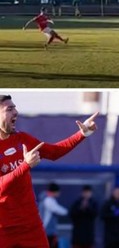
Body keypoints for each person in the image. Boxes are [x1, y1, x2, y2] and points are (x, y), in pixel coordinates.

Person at [0, 94, 98, 248]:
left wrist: (83, 133)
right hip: (3, 229)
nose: (16, 112)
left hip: (31, 225)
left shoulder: (22, 139)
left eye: (15, 108)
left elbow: (54, 152)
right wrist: (25, 165)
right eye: (10, 109)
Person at [39, 182, 68, 248]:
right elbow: (59, 210)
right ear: (54, 191)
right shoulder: (48, 200)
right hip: (48, 232)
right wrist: (68, 212)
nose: (59, 193)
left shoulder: (45, 199)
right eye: (58, 191)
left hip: (46, 232)